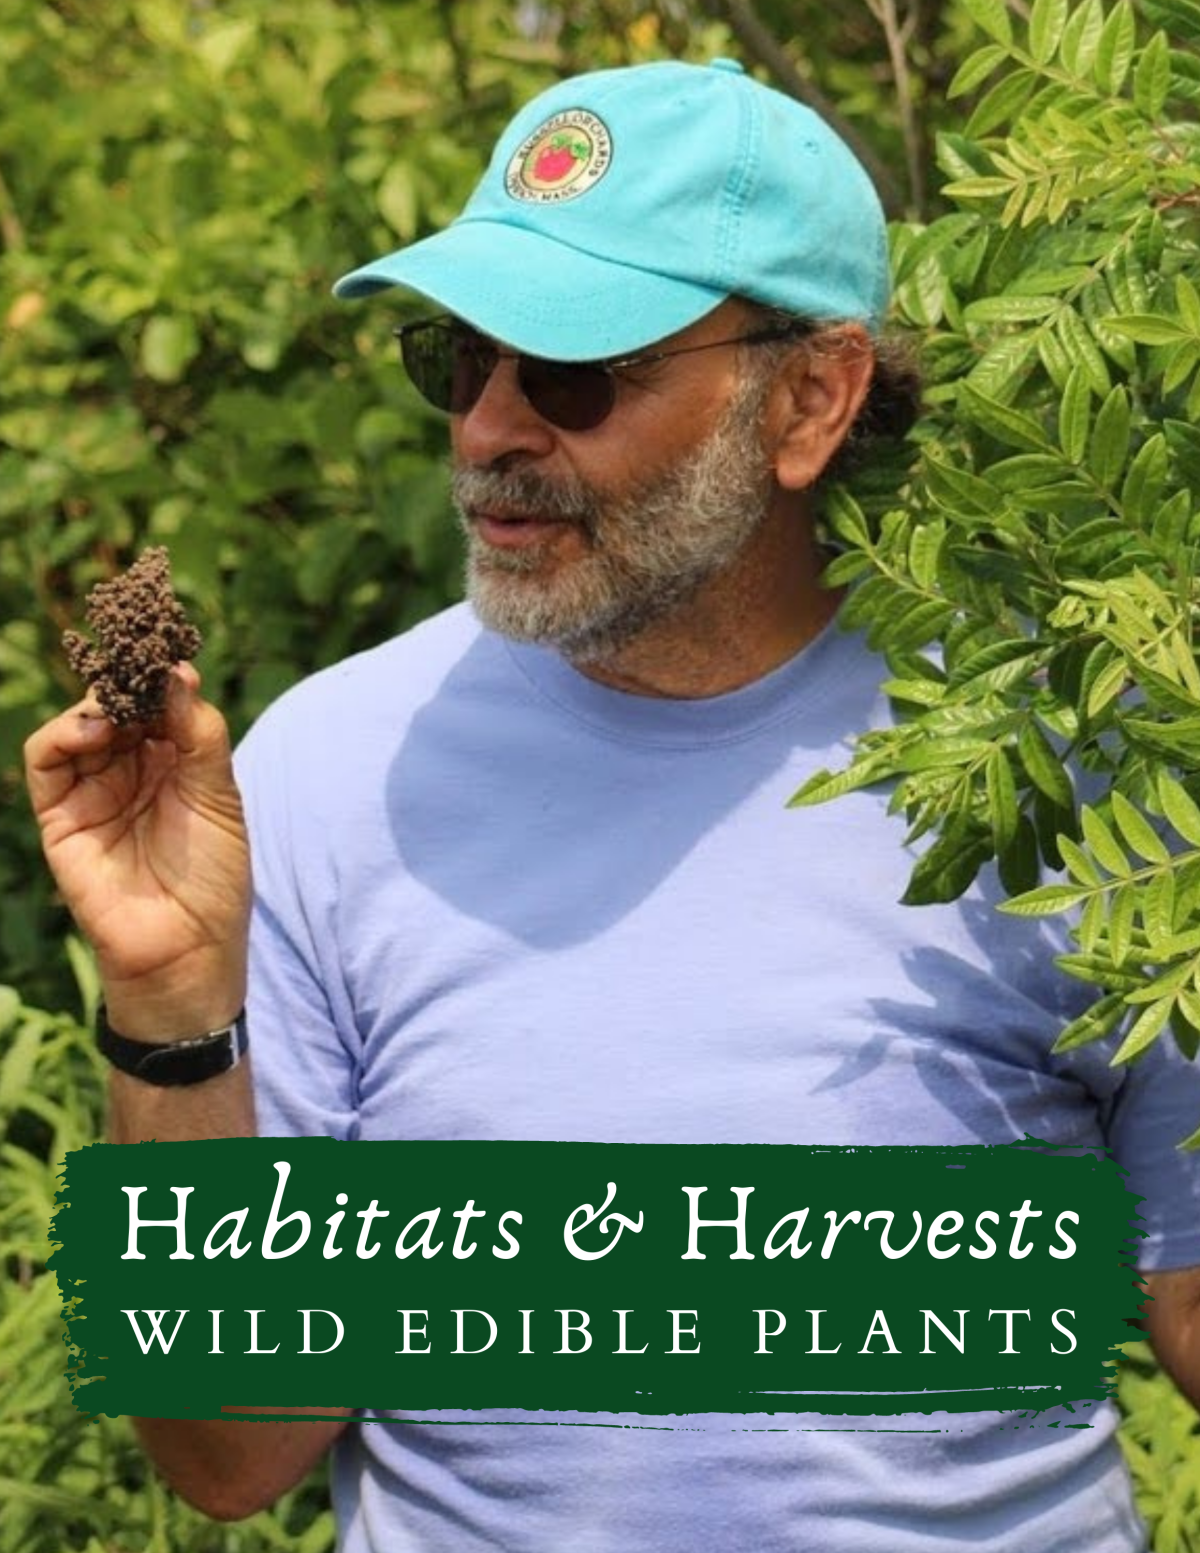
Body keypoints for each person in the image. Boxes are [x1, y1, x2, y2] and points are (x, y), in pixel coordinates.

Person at [24, 56, 1200, 1553]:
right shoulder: (325, 776)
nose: (487, 431)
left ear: (812, 400)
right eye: (459, 361)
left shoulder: (1060, 759)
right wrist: (173, 1000)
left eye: (574, 373)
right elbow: (230, 1451)